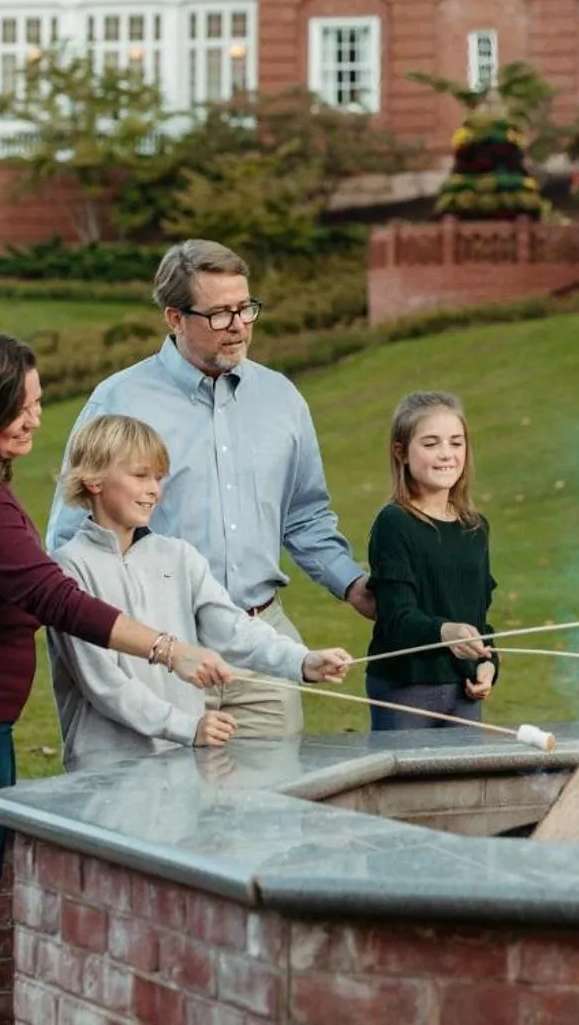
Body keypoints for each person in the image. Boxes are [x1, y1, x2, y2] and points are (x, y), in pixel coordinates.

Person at [0, 331, 230, 1025]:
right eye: (22, 404)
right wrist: (168, 649)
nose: (37, 416)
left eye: (37, 401)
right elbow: (54, 597)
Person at [46, 239, 374, 738]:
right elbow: (71, 538)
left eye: (246, 308)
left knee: (278, 787)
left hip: (261, 642)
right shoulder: (119, 400)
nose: (238, 325)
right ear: (175, 318)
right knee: (165, 788)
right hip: (158, 651)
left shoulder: (282, 399)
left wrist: (352, 584)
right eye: (220, 314)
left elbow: (304, 515)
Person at [46, 413, 354, 768]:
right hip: (105, 765)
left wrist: (300, 661)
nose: (154, 490)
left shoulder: (179, 556)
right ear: (94, 480)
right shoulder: (67, 570)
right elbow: (103, 684)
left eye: (158, 478)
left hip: (181, 759)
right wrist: (186, 727)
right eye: (140, 475)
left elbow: (233, 629)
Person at [363, 390, 498, 731]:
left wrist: (489, 662)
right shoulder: (394, 523)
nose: (446, 454)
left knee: (467, 769)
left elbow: (478, 618)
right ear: (401, 452)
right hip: (405, 688)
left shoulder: (475, 528)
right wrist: (444, 631)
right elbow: (396, 617)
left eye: (456, 443)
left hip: (464, 690)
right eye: (431, 443)